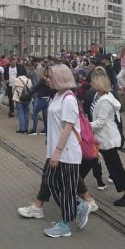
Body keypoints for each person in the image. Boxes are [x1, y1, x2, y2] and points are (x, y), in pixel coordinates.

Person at [38, 64, 85, 237]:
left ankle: (65, 224)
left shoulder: (69, 98)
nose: (47, 79)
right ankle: (78, 206)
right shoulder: (57, 95)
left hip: (67, 152)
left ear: (59, 78)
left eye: (50, 77)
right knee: (50, 182)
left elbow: (67, 128)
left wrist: (57, 152)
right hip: (55, 150)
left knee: (67, 188)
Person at [90, 67, 125, 207]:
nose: (91, 84)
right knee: (113, 167)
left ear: (98, 83)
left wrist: (83, 125)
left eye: (93, 82)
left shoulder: (105, 101)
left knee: (115, 168)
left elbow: (100, 122)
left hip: (106, 139)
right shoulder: (102, 97)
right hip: (104, 138)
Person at [29, 66, 52, 135]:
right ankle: (46, 129)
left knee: (35, 113)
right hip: (47, 99)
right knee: (45, 115)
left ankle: (34, 130)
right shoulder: (51, 80)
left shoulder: (42, 80)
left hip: (41, 98)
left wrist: (30, 91)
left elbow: (37, 87)